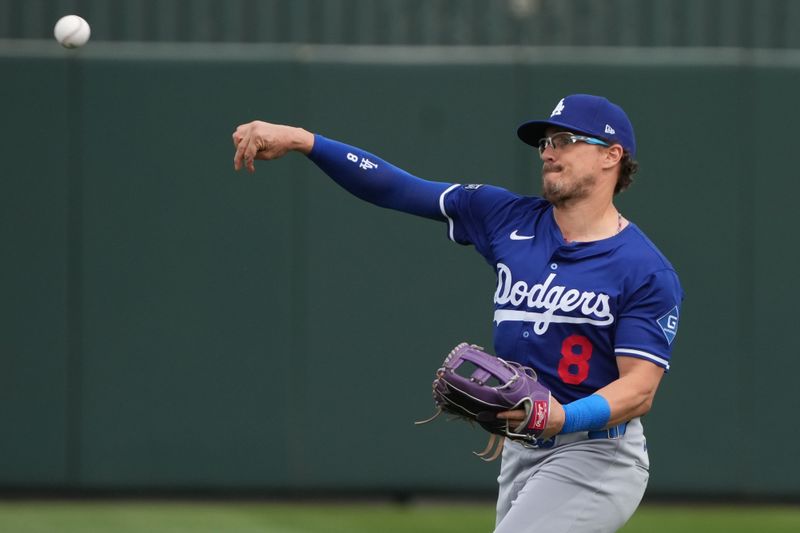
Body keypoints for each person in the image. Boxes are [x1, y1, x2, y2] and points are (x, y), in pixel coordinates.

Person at [232, 94, 683, 533]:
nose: (548, 152)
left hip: (596, 455)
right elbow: (395, 187)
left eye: (565, 139)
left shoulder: (644, 269)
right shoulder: (506, 217)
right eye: (545, 142)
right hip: (522, 447)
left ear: (612, 156)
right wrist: (304, 141)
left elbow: (640, 390)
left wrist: (563, 418)